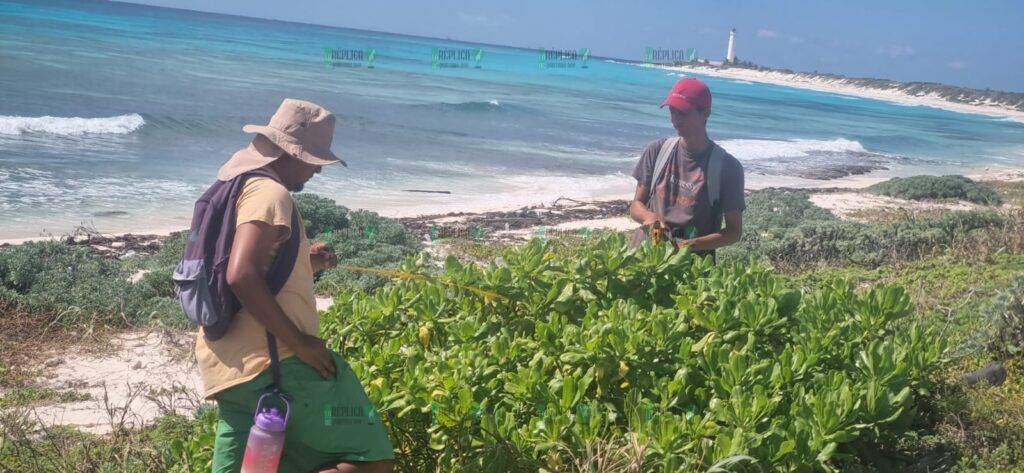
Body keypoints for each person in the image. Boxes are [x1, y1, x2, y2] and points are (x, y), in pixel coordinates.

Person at [197, 98, 394, 473]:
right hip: (277, 365)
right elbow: (241, 274)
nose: (316, 172)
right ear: (290, 153)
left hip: (226, 367)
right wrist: (299, 342)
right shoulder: (272, 194)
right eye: (313, 161)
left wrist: (309, 263)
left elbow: (245, 266)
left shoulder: (231, 186)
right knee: (373, 464)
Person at [629, 78, 745, 258]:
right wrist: (651, 219)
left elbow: (734, 232)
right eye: (672, 110)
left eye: (682, 112)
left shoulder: (728, 168)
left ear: (705, 113)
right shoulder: (658, 150)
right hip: (644, 258)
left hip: (690, 270)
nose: (675, 119)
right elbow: (636, 206)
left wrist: (687, 246)